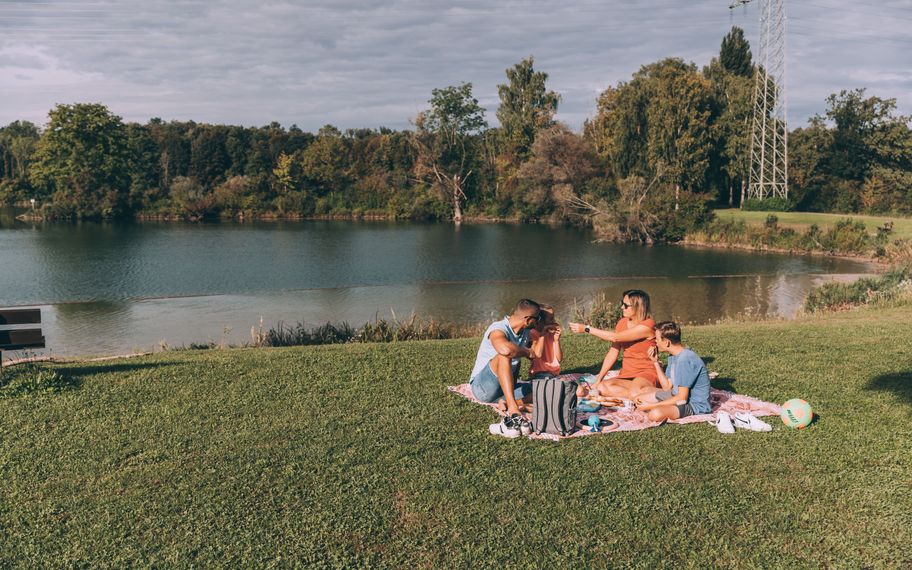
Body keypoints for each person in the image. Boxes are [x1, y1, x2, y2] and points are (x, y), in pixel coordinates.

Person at [469, 299, 541, 437]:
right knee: (504, 354)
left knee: (542, 390)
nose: (538, 322)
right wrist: (526, 352)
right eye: (537, 319)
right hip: (482, 388)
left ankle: (509, 402)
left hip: (507, 388)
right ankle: (513, 408)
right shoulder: (498, 328)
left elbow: (537, 352)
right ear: (528, 319)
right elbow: (505, 350)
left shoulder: (525, 332)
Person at [569, 289, 657, 399]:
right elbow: (613, 352)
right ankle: (643, 395)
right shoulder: (622, 323)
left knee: (634, 390)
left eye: (626, 305)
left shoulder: (648, 325)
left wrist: (587, 329)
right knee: (601, 387)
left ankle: (661, 394)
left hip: (646, 372)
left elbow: (615, 338)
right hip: (628, 373)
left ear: (638, 307)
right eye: (622, 304)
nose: (621, 307)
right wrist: (599, 379)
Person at [633, 321, 712, 422]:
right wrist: (655, 362)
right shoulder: (673, 355)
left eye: (657, 339)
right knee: (638, 400)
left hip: (694, 405)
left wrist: (651, 406)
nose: (655, 342)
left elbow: (682, 398)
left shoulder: (685, 359)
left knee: (655, 414)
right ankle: (663, 407)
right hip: (675, 395)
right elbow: (666, 387)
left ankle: (662, 408)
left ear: (666, 342)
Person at [528, 304, 563, 379]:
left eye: (553, 318)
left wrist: (556, 340)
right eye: (550, 318)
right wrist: (542, 334)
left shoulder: (551, 334)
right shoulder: (532, 333)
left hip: (554, 373)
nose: (553, 321)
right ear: (540, 320)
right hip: (539, 373)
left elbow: (559, 359)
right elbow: (537, 355)